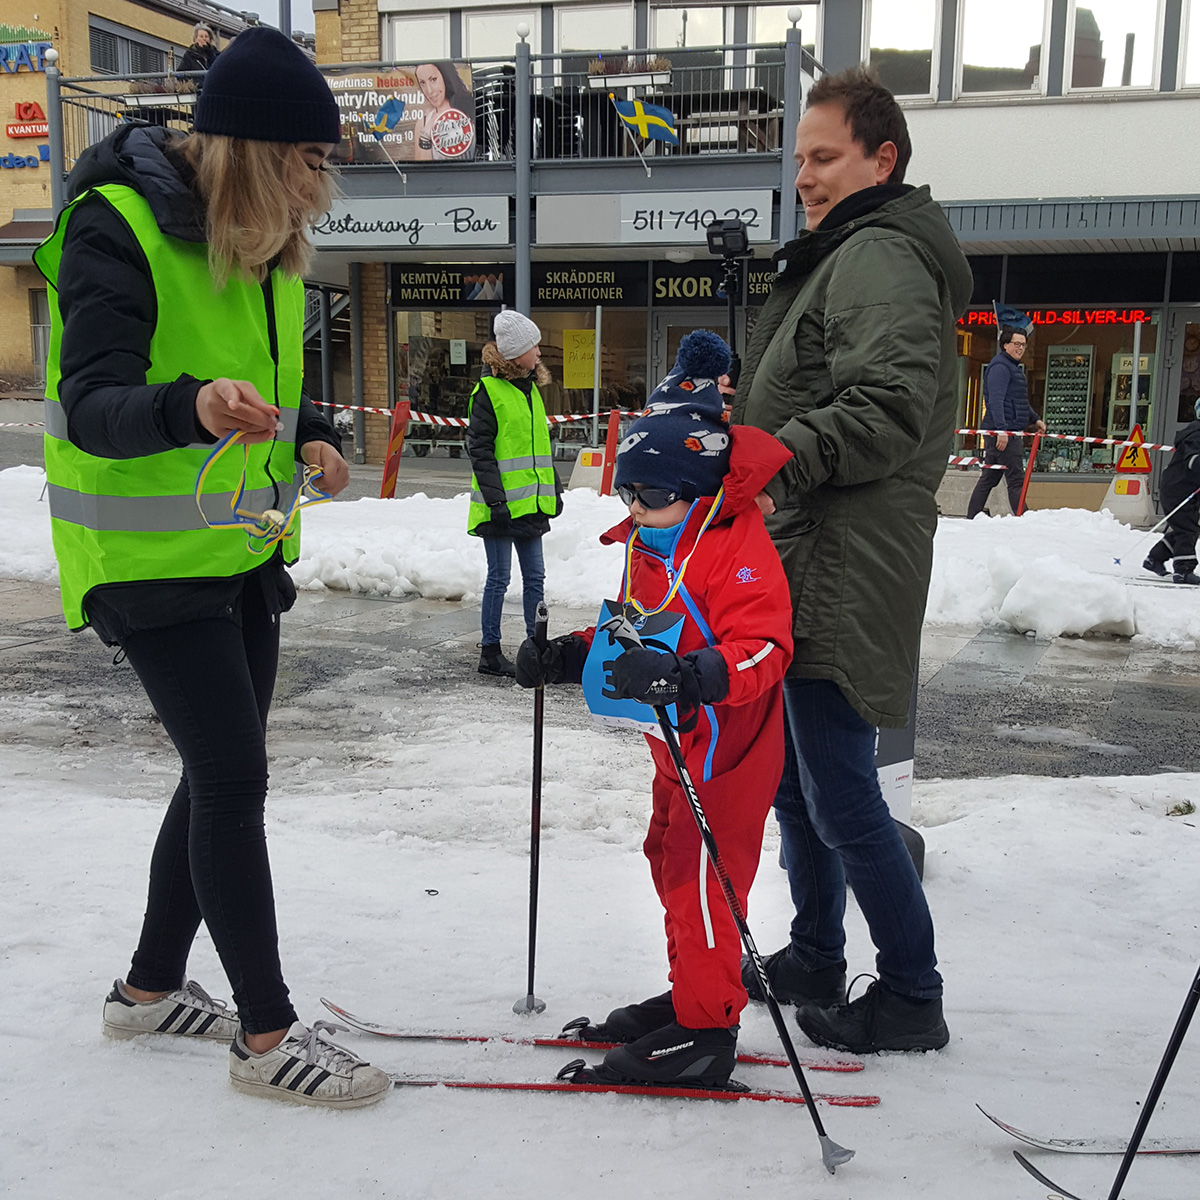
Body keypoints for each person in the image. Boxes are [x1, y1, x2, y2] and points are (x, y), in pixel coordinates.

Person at [34, 26, 390, 1107]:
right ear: (253, 153)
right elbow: (92, 401)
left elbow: (262, 382)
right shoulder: (118, 226)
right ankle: (268, 1038)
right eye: (309, 164)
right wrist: (187, 405)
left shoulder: (264, 242)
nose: (320, 189)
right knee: (234, 781)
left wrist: (315, 429)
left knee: (212, 777)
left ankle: (147, 991)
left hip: (238, 550)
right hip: (146, 559)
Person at [731, 67, 974, 1055]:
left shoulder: (877, 256)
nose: (806, 177)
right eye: (799, 159)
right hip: (808, 549)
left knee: (839, 792)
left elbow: (886, 408)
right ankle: (815, 953)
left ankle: (912, 993)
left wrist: (774, 457)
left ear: (885, 159)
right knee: (798, 782)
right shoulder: (846, 254)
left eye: (824, 157)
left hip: (843, 555)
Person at [516, 331, 794, 1087]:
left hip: (726, 751)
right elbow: (633, 627)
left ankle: (705, 1034)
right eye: (628, 494)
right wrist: (572, 652)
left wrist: (697, 674)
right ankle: (696, 993)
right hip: (675, 747)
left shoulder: (735, 546)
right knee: (670, 862)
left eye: (654, 495)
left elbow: (768, 648)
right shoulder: (657, 540)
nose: (637, 508)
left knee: (706, 880)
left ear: (698, 490)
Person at [467, 310, 562, 676]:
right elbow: (481, 451)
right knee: (499, 578)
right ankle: (490, 651)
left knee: (535, 577)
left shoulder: (531, 391)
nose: (538, 352)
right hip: (500, 508)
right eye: (532, 346)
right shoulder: (489, 392)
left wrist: (553, 489)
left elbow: (539, 448)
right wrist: (495, 502)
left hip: (530, 506)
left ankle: (536, 647)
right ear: (515, 352)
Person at [966, 326, 1047, 518]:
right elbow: (996, 400)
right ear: (1005, 345)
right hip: (1005, 434)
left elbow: (1018, 401)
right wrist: (1001, 430)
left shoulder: (1011, 367)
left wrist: (1035, 419)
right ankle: (1022, 518)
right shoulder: (1001, 368)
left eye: (1024, 345)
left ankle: (972, 517)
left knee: (989, 479)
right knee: (1016, 480)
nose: (1021, 348)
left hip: (1005, 432)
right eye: (1017, 344)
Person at [1143, 398, 1200, 585]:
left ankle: (1155, 558)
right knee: (1187, 529)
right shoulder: (1196, 434)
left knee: (1184, 527)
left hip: (1187, 489)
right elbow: (1193, 462)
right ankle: (1183, 570)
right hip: (1177, 489)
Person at [414, 61, 476, 161]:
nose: (429, 90)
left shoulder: (469, 109)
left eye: (433, 79)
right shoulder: (422, 123)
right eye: (423, 83)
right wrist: (425, 136)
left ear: (445, 77)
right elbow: (421, 172)